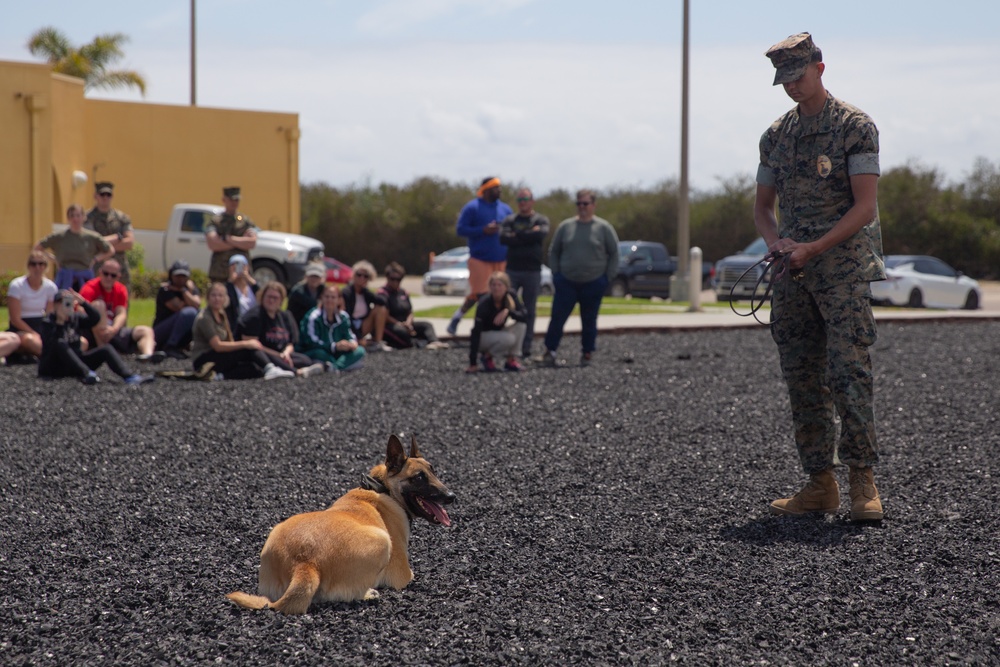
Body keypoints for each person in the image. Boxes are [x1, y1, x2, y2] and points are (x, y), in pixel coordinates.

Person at [755, 33, 884, 522]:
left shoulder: (855, 127)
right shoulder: (775, 136)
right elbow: (763, 210)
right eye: (783, 79)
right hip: (794, 276)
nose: (791, 86)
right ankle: (819, 483)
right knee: (802, 377)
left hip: (842, 272)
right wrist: (777, 245)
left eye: (798, 76)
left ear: (820, 68)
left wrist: (814, 247)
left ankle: (862, 483)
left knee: (849, 374)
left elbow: (865, 206)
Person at [541, 189, 619, 368]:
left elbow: (614, 253)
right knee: (558, 318)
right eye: (579, 204)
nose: (582, 207)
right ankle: (550, 351)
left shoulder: (603, 228)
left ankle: (587, 353)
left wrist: (607, 278)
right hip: (566, 282)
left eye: (585, 204)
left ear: (593, 205)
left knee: (589, 320)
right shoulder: (565, 227)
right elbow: (554, 251)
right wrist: (556, 274)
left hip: (593, 282)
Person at [37, 289, 154, 385]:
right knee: (60, 343)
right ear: (56, 305)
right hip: (53, 367)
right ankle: (86, 373)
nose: (66, 305)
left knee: (106, 349)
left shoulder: (75, 318)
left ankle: (129, 377)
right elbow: (51, 344)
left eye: (68, 302)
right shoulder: (48, 322)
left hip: (75, 363)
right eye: (62, 302)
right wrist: (60, 322)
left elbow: (95, 319)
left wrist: (83, 303)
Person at [446, 176, 512, 335]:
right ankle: (458, 317)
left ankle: (494, 326)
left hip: (501, 259)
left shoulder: (506, 209)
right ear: (487, 189)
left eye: (500, 187)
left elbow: (512, 229)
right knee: (480, 293)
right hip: (479, 259)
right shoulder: (472, 207)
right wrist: (483, 230)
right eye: (496, 188)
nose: (499, 191)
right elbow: (460, 229)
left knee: (500, 294)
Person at [190, 282, 295, 381]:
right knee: (250, 349)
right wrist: (245, 344)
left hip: (217, 355)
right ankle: (272, 368)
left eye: (220, 296)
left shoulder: (221, 314)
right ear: (208, 297)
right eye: (214, 295)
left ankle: (220, 376)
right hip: (204, 358)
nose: (217, 299)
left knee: (255, 368)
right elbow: (217, 346)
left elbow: (229, 340)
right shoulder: (204, 318)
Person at [79, 258, 163, 362]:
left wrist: (114, 329)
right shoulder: (90, 287)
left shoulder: (120, 289)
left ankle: (148, 355)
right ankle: (104, 350)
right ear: (100, 272)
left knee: (146, 330)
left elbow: (121, 313)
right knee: (99, 305)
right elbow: (81, 310)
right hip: (93, 331)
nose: (109, 277)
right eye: (106, 274)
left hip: (113, 330)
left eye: (113, 275)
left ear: (118, 276)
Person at [499, 187, 550, 358]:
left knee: (530, 309)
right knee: (506, 305)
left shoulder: (540, 219)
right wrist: (528, 234)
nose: (523, 203)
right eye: (520, 200)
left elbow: (541, 234)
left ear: (532, 201)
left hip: (532, 271)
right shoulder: (510, 219)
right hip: (512, 269)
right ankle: (503, 343)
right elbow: (503, 238)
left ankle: (525, 346)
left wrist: (517, 235)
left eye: (526, 199)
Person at [237, 281, 325, 378]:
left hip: (281, 353)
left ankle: (302, 368)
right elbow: (251, 343)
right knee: (260, 353)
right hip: (263, 353)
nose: (271, 300)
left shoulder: (286, 316)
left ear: (281, 300)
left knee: (305, 360)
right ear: (262, 297)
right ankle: (297, 372)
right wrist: (278, 356)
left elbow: (290, 343)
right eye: (269, 297)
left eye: (275, 298)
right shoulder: (254, 316)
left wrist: (286, 353)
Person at [35, 204, 114, 290]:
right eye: (72, 216)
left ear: (84, 217)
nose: (75, 219)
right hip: (64, 277)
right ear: (68, 219)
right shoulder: (59, 236)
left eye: (78, 215)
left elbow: (110, 250)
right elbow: (38, 248)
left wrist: (95, 259)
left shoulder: (92, 237)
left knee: (87, 302)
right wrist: (54, 259)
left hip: (85, 278)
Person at [375, 262, 449, 350]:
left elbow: (410, 311)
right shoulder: (382, 293)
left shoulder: (403, 293)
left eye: (398, 279)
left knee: (426, 325)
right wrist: (399, 324)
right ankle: (416, 343)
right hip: (391, 324)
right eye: (392, 279)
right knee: (401, 332)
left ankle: (434, 342)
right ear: (387, 278)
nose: (395, 282)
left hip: (405, 323)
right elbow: (383, 315)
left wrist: (408, 323)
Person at [466, 272, 528, 373]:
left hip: (498, 333)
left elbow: (524, 316)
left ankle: (511, 360)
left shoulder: (510, 296)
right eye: (493, 285)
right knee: (509, 338)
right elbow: (476, 331)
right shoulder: (485, 302)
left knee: (521, 326)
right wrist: (473, 363)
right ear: (489, 287)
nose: (496, 288)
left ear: (506, 287)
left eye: (499, 285)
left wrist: (509, 311)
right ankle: (487, 357)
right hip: (484, 337)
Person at [5, 251, 59, 361]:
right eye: (33, 264)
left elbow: (49, 314)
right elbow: (15, 319)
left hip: (41, 324)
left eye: (41, 264)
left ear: (45, 266)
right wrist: (33, 333)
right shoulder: (17, 286)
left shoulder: (50, 287)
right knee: (32, 341)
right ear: (29, 266)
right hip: (21, 327)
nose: (37, 267)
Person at [298, 287, 366, 372]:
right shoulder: (313, 316)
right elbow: (311, 341)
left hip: (338, 351)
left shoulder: (343, 316)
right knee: (320, 353)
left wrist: (352, 343)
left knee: (360, 350)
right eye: (327, 297)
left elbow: (349, 335)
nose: (329, 300)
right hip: (318, 350)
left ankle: (332, 367)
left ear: (339, 300)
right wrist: (334, 346)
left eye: (333, 297)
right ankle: (341, 365)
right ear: (321, 298)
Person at [85, 181, 135, 288]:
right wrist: (117, 239)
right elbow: (90, 243)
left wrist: (103, 245)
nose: (105, 197)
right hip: (97, 265)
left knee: (122, 299)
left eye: (109, 195)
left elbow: (129, 243)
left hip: (119, 266)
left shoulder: (122, 218)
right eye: (102, 194)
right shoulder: (86, 218)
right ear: (95, 196)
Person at [205, 186, 258, 283]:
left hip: (241, 270)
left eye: (237, 200)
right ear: (224, 200)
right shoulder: (216, 221)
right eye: (231, 199)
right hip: (220, 271)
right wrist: (241, 242)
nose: (234, 202)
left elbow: (252, 242)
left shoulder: (245, 221)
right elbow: (212, 243)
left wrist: (228, 239)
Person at [152, 260, 201, 359]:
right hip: (160, 333)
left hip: (179, 333)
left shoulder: (190, 289)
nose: (181, 279)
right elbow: (179, 307)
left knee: (199, 314)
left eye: (184, 276)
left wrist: (184, 291)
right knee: (190, 313)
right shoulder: (165, 290)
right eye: (178, 276)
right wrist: (185, 292)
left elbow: (197, 304)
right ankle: (170, 346)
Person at [341, 260, 382, 346]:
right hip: (349, 326)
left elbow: (382, 301)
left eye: (365, 276)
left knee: (380, 309)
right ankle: (357, 339)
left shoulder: (365, 293)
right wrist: (358, 337)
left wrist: (366, 290)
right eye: (359, 275)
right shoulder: (346, 292)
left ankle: (378, 342)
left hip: (363, 324)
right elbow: (346, 316)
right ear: (354, 275)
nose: (362, 278)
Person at [224, 254, 258, 336]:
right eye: (234, 265)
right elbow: (224, 301)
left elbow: (262, 296)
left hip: (253, 324)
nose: (238, 268)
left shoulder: (252, 287)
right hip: (236, 326)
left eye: (242, 265)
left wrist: (250, 280)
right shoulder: (228, 288)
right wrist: (231, 281)